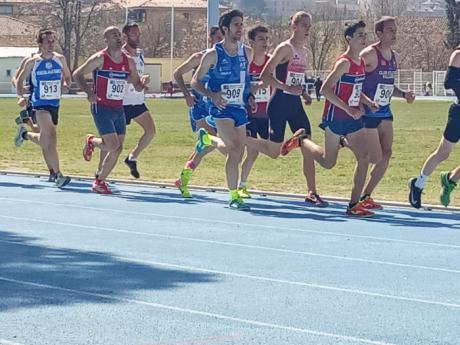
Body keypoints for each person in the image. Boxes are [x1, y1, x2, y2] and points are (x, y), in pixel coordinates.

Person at [282, 21, 379, 217]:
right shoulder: (343, 63)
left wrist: (368, 102)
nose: (364, 38)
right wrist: (348, 109)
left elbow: (355, 90)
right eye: (359, 35)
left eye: (364, 35)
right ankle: (302, 141)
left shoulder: (360, 62)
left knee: (364, 157)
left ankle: (353, 204)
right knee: (328, 162)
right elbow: (325, 89)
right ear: (348, 39)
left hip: (353, 120)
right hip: (335, 118)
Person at [243, 11, 328, 207]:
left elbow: (296, 78)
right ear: (294, 27)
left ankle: (312, 192)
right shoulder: (285, 49)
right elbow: (265, 75)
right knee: (273, 152)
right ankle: (241, 139)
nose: (308, 29)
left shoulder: (304, 51)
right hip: (279, 104)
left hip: (295, 105)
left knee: (307, 144)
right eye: (304, 25)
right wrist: (287, 88)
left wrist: (303, 93)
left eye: (309, 26)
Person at [191, 10, 255, 210]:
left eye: (241, 24)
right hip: (221, 108)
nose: (240, 28)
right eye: (236, 24)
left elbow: (246, 81)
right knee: (235, 147)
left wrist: (249, 96)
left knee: (238, 151)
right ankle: (234, 195)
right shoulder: (213, 55)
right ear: (225, 29)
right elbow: (195, 81)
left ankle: (209, 140)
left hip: (240, 108)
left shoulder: (248, 52)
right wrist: (212, 95)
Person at [73, 26, 147, 194]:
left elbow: (135, 84)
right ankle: (98, 182)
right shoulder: (100, 58)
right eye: (113, 35)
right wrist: (89, 92)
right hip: (101, 107)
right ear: (106, 40)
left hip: (118, 108)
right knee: (113, 146)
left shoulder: (128, 60)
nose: (118, 38)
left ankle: (99, 176)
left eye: (119, 35)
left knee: (118, 148)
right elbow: (78, 74)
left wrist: (142, 83)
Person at [360, 17, 415, 210]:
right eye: (390, 30)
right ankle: (345, 141)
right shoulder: (369, 54)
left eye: (395, 29)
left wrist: (403, 94)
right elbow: (351, 77)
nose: (394, 33)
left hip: (384, 111)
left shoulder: (393, 56)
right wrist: (364, 101)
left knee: (387, 153)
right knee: (372, 157)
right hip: (368, 112)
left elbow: (388, 86)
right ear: (380, 33)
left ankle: (366, 195)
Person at [14, 28, 72, 188]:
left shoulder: (60, 59)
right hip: (38, 104)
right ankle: (58, 175)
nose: (51, 44)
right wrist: (20, 97)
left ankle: (25, 135)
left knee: (47, 140)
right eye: (47, 42)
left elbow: (67, 76)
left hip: (54, 104)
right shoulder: (33, 62)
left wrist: (67, 84)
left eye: (53, 41)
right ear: (40, 43)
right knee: (51, 136)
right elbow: (18, 80)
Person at [96, 23, 155, 179]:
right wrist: (135, 80)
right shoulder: (118, 54)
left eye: (139, 34)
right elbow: (118, 76)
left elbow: (137, 76)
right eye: (134, 34)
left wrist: (143, 81)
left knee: (151, 131)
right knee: (111, 141)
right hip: (121, 102)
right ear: (125, 36)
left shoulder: (139, 54)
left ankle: (132, 157)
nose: (138, 37)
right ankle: (100, 170)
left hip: (137, 101)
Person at [173, 26, 223, 198]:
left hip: (214, 107)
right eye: (218, 37)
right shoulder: (199, 57)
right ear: (210, 39)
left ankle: (183, 179)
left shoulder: (224, 60)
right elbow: (177, 73)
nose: (222, 41)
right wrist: (186, 94)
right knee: (215, 143)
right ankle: (183, 179)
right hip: (199, 107)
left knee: (205, 145)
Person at [409, 46, 460, 208]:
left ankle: (450, 180)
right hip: (458, 112)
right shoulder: (458, 55)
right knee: (443, 152)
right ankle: (418, 184)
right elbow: (449, 82)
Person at [12, 49, 57, 182]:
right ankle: (53, 171)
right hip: (34, 101)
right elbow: (16, 78)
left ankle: (25, 130)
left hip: (50, 103)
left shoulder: (54, 60)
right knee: (45, 138)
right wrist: (21, 92)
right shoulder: (30, 60)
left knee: (46, 138)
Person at [238, 24, 271, 198]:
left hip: (267, 115)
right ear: (251, 42)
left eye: (267, 39)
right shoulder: (246, 63)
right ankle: (241, 185)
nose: (265, 42)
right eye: (261, 39)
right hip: (249, 114)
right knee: (252, 150)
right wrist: (253, 89)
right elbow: (241, 84)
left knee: (270, 149)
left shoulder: (271, 61)